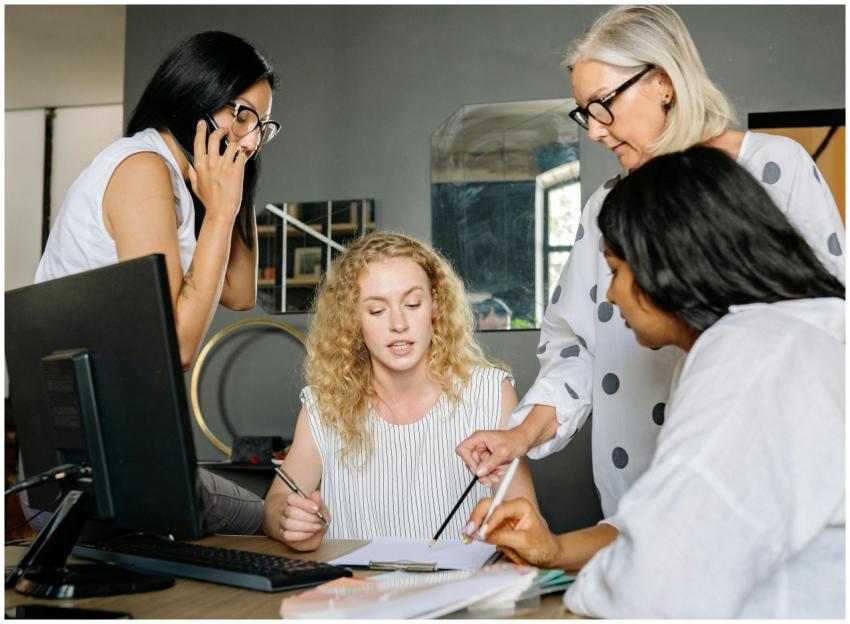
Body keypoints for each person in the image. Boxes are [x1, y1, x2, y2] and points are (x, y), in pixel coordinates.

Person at [456, 4, 845, 550]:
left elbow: (829, 330)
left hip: (770, 500)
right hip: (631, 506)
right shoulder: (604, 209)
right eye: (582, 113)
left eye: (602, 106)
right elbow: (575, 349)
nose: (593, 130)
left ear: (662, 82)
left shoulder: (774, 167)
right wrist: (520, 435)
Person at [463, 146, 845, 618]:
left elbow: (656, 579)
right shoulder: (784, 334)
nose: (609, 293)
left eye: (617, 270)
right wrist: (554, 550)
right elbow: (678, 525)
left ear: (664, 264)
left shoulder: (748, 354)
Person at [28, 31, 282, 535]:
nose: (251, 139)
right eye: (241, 114)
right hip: (88, 472)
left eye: (263, 125)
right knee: (271, 524)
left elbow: (239, 292)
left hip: (124, 456)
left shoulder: (181, 180)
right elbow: (176, 349)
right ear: (195, 96)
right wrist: (223, 206)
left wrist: (235, 183)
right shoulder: (143, 170)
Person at [263, 232, 536, 551]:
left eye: (412, 304)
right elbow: (274, 504)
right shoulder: (325, 405)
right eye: (377, 310)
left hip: (459, 596)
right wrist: (290, 520)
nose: (399, 323)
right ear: (353, 318)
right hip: (358, 594)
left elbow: (532, 523)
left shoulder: (491, 394)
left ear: (435, 305)